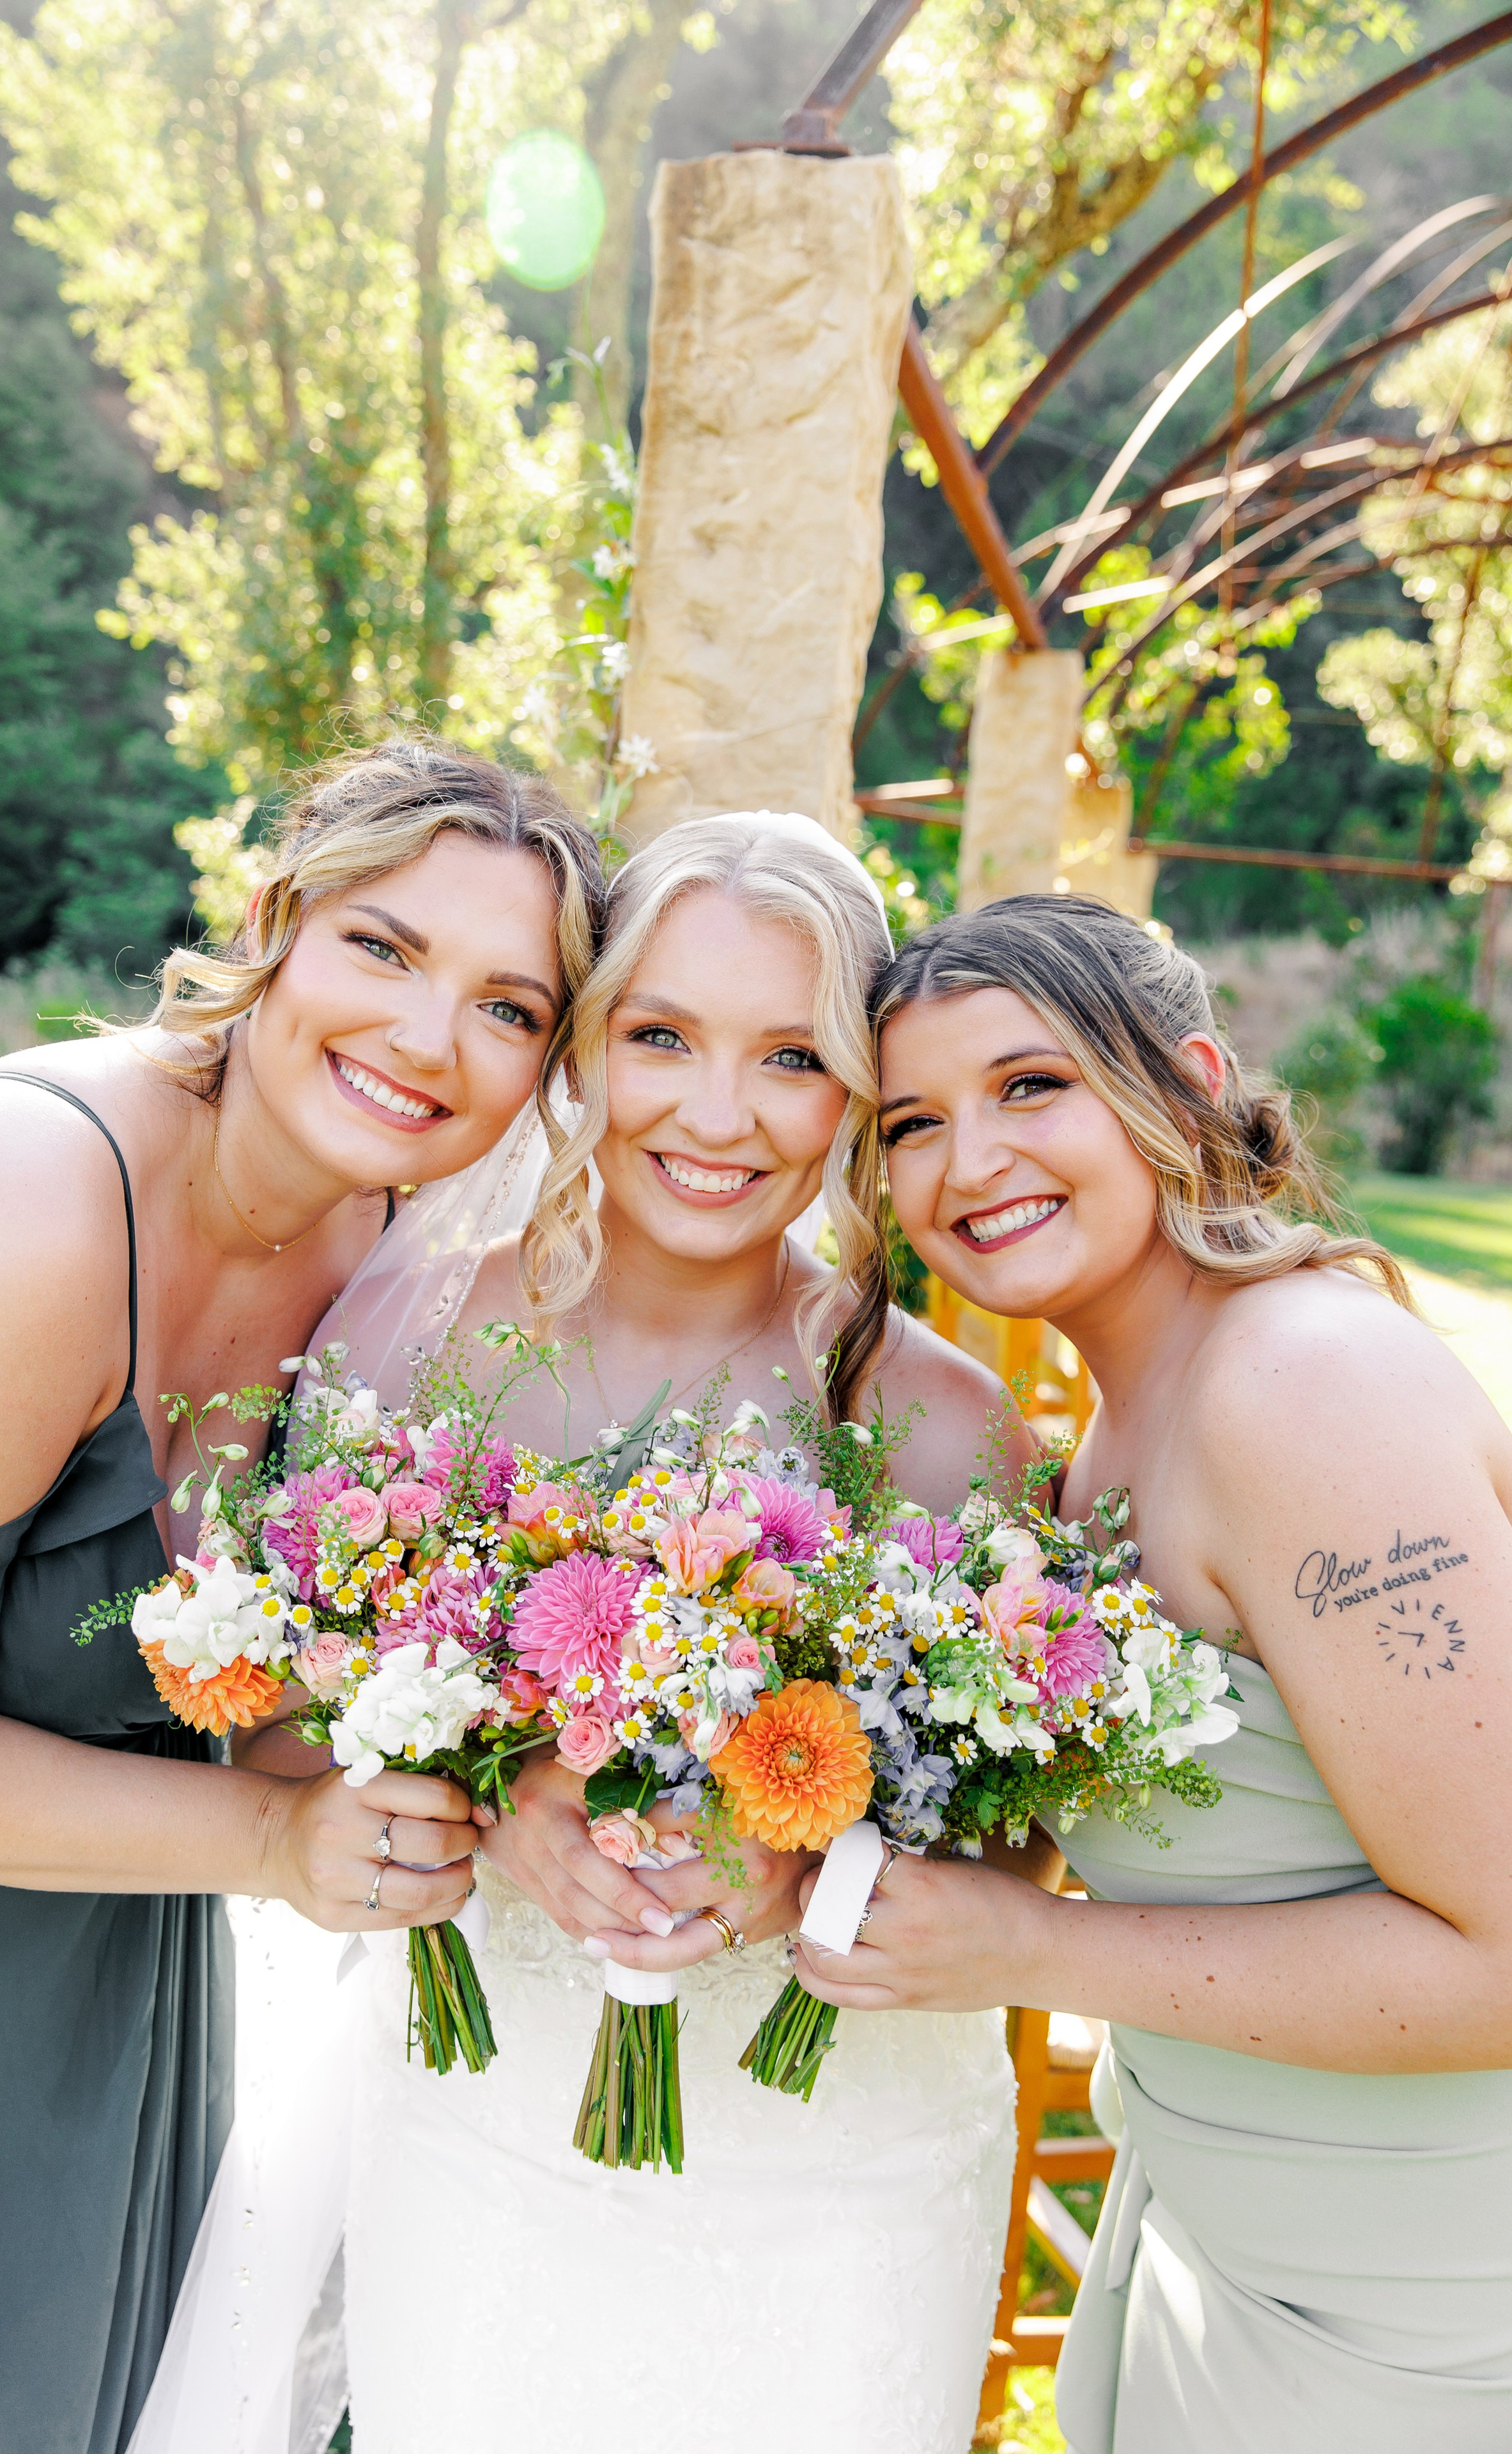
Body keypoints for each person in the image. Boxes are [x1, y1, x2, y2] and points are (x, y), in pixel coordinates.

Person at [275, 811, 1042, 2453]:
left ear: (852, 1097)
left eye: (791, 1056)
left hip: (837, 2175)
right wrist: (491, 1810)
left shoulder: (942, 1423)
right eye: (660, 1039)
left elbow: (1027, 1849)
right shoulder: (416, 1349)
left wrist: (809, 1870)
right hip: (482, 2146)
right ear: (579, 1052)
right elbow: (287, 1731)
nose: (716, 1114)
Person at [0, 737, 606, 2454]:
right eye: (386, 949)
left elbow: (270, 1688)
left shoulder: (391, 1257)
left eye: (511, 1009)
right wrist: (277, 1852)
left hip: (100, 1972)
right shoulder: (13, 1208)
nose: (432, 1041)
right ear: (274, 922)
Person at [788, 892, 1512, 2453]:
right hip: (1228, 2244)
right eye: (910, 1121)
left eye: (1028, 1085)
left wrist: (1018, 1950)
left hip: (1427, 2317)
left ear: (1180, 1085)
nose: (967, 1161)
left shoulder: (1302, 1388)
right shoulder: (1092, 1450)